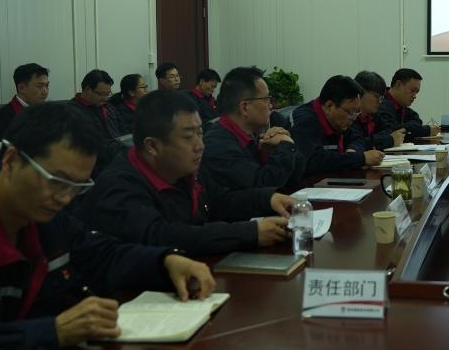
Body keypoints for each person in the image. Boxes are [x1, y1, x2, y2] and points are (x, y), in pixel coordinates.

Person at [0, 102, 215, 350]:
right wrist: (53, 332)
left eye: (76, 186)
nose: (65, 198)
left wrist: (165, 262)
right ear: (11, 161)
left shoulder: (46, 220)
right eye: (57, 181)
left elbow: (102, 255)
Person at [75, 90, 294, 256]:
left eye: (200, 133)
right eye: (189, 137)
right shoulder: (120, 186)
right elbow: (163, 236)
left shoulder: (183, 167)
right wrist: (249, 232)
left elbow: (219, 201)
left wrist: (268, 199)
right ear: (152, 146)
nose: (200, 145)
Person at [201, 66, 305, 193]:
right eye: (266, 99)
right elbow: (261, 187)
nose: (271, 105)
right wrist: (286, 146)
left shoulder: (253, 135)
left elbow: (295, 179)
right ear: (245, 107)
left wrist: (281, 147)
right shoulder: (218, 145)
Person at [291, 76, 385, 175]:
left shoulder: (338, 119)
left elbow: (357, 138)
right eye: (350, 112)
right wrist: (361, 158)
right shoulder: (304, 121)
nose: (353, 118)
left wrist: (353, 150)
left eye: (356, 112)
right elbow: (312, 160)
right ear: (330, 106)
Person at [0, 63, 50, 142]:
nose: (45, 92)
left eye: (47, 86)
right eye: (40, 86)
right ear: (21, 88)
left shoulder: (48, 112)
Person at [376, 68, 439, 141]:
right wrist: (426, 130)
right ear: (398, 84)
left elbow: (417, 120)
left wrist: (409, 128)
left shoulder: (400, 105)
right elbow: (393, 130)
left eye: (416, 92)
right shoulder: (380, 103)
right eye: (412, 90)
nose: (415, 96)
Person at [352, 71, 404, 151]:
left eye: (381, 98)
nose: (380, 101)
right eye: (376, 96)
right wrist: (388, 140)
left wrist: (375, 140)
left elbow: (392, 130)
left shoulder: (375, 115)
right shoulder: (350, 117)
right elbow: (356, 143)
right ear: (360, 92)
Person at [69, 70, 121, 140]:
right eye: (102, 94)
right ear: (88, 89)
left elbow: (123, 130)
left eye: (108, 94)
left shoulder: (109, 107)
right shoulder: (71, 111)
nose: (106, 98)